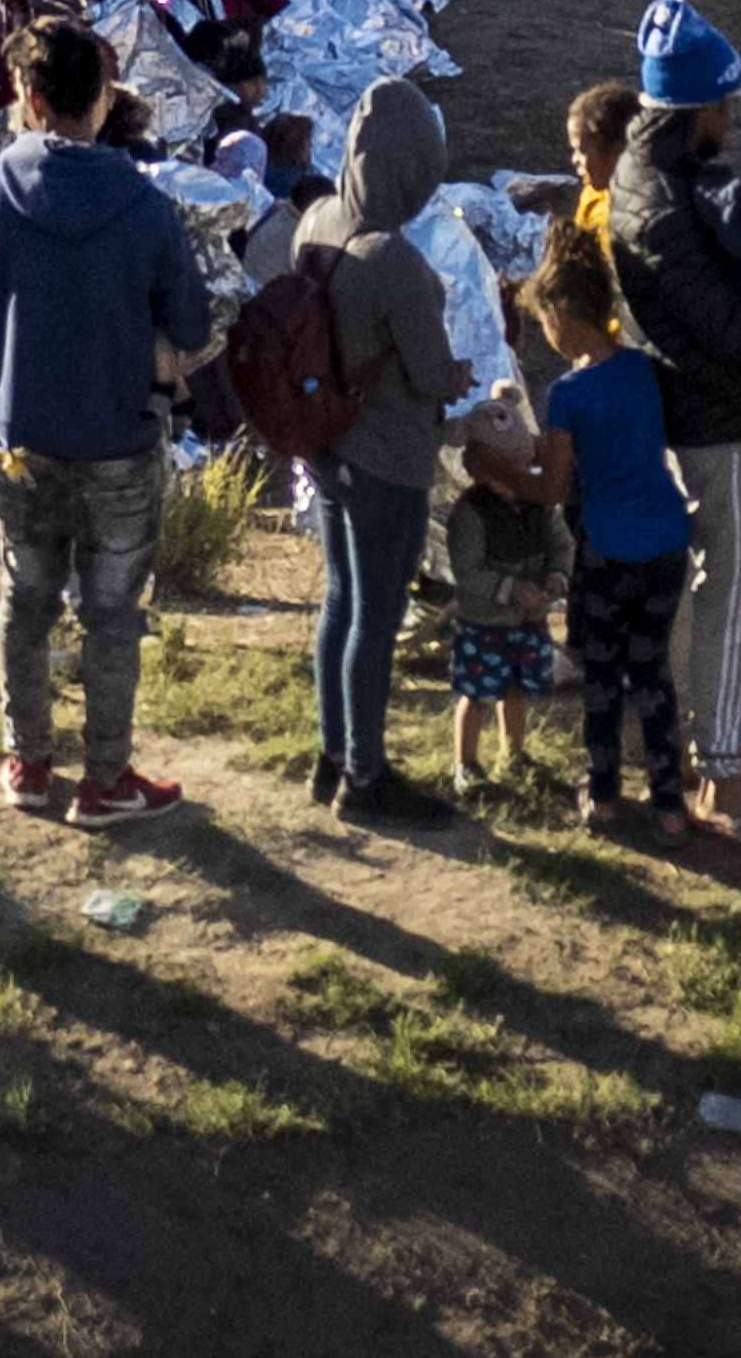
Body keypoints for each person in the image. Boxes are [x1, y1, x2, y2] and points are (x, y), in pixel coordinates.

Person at [0, 14, 209, 828]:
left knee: (23, 599)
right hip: (119, 436)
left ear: (28, 99)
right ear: (102, 99)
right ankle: (105, 779)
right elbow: (194, 328)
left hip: (22, 435)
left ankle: (26, 760)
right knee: (111, 616)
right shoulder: (145, 204)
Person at [598, 0, 741, 859]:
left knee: (705, 586)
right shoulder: (666, 197)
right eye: (724, 107)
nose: (728, 123)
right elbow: (728, 327)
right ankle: (721, 776)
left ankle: (708, 735)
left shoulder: (639, 177)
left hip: (679, 407)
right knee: (736, 594)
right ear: (701, 106)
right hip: (717, 415)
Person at [288, 77, 461, 825]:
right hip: (389, 453)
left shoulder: (319, 221)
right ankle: (367, 776)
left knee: (339, 602)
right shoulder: (391, 257)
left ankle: (331, 758)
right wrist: (459, 374)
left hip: (326, 443)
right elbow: (429, 374)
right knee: (377, 616)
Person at [519, 225, 692, 828]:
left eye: (544, 321)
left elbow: (552, 486)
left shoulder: (568, 394)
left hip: (608, 550)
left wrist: (496, 465)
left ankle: (604, 796)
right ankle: (671, 806)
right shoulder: (644, 370)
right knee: (652, 673)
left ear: (562, 312)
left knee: (602, 678)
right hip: (666, 539)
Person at [434, 385, 573, 800]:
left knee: (516, 689)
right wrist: (511, 590)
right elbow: (468, 572)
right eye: (511, 465)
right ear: (485, 467)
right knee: (476, 694)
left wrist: (557, 578)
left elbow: (562, 545)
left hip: (528, 621)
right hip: (484, 622)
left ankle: (514, 753)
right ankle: (465, 763)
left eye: (525, 462)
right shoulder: (470, 514)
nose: (523, 472)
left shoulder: (539, 506)